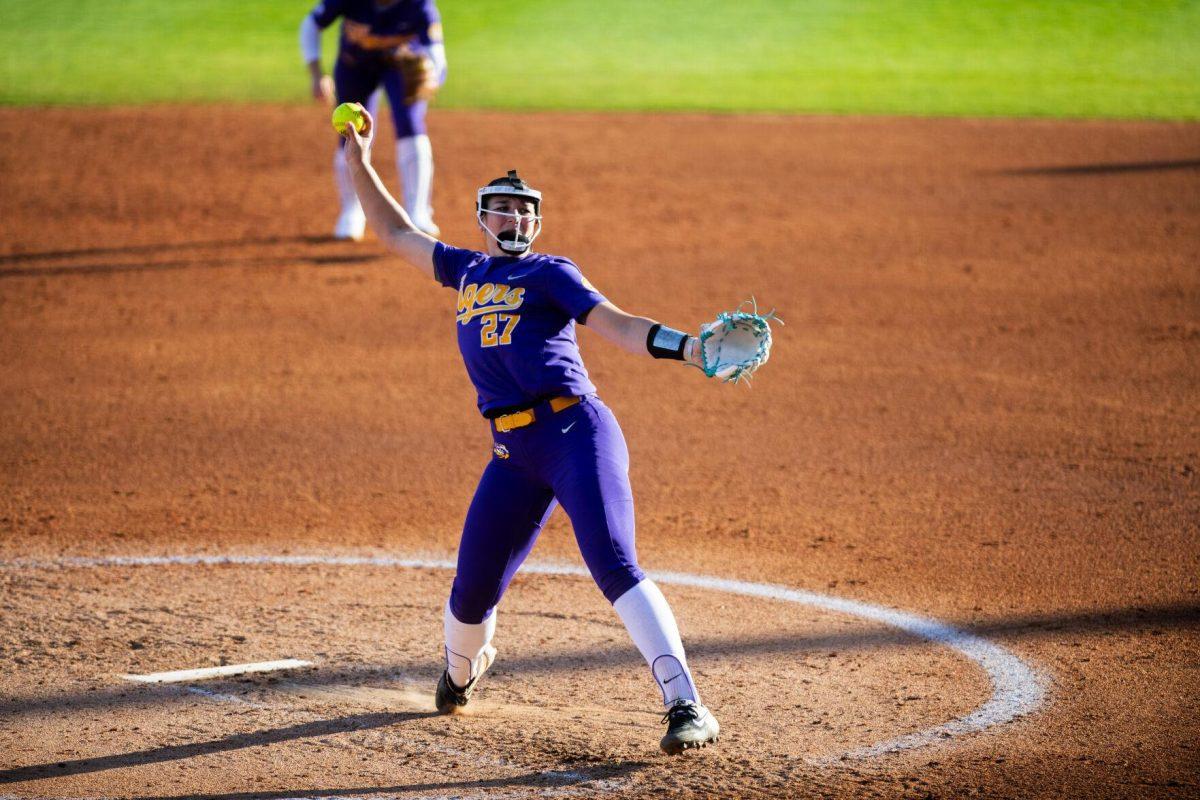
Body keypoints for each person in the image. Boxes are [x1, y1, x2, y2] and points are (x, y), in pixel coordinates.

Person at [340, 108, 721, 755]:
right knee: (472, 591)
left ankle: (686, 703)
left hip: (576, 432)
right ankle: (462, 673)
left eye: (524, 212)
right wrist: (359, 159)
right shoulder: (463, 270)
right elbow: (395, 230)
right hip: (512, 453)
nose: (513, 221)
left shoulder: (550, 273)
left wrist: (688, 348)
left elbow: (617, 323)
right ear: (482, 218)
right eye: (502, 210)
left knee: (613, 560)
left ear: (535, 223)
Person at [300, 0, 446, 240]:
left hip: (402, 67)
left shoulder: (420, 4)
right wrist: (317, 74)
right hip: (355, 66)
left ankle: (419, 212)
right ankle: (352, 211)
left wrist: (431, 78)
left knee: (410, 123)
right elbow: (311, 25)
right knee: (349, 133)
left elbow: (437, 55)